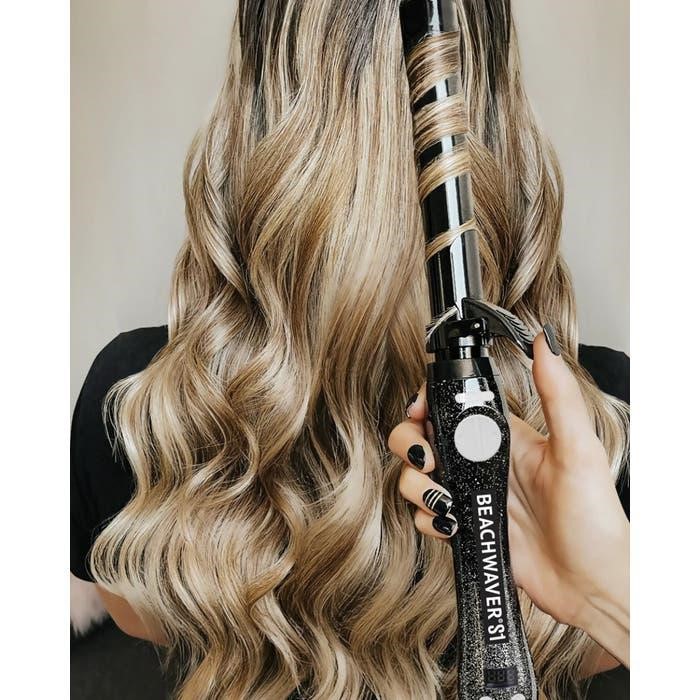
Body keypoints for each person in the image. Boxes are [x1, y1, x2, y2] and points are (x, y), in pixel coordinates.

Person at [71, 1, 630, 698]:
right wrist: (620, 596)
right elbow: (600, 655)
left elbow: (137, 615)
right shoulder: (611, 426)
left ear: (253, 109)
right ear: (495, 107)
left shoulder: (134, 405)